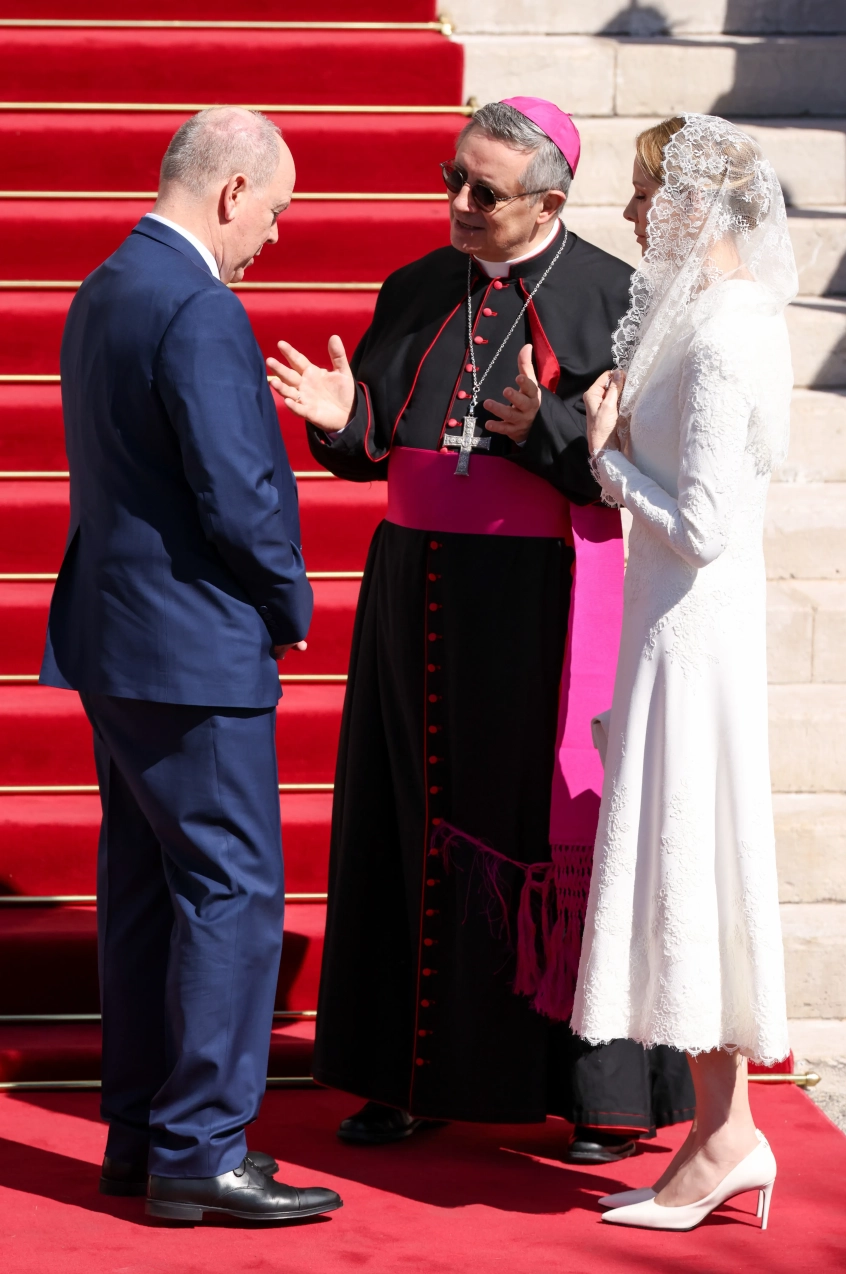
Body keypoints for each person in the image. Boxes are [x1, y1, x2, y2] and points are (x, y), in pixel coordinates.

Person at [268, 98, 694, 1160]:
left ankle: (591, 1091)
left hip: (542, 602)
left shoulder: (615, 298)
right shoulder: (416, 285)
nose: (459, 203)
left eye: (485, 191)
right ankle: (403, 1074)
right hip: (412, 591)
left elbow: (649, 478)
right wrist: (344, 422)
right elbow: (379, 435)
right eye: (451, 178)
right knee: (404, 824)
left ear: (549, 201)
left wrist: (548, 433)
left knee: (545, 835)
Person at [40, 107, 342, 1225]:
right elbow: (239, 489)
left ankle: (140, 1134)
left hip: (116, 637)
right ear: (231, 192)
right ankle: (202, 1147)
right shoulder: (200, 305)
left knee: (143, 890)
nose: (275, 234)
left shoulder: (105, 286)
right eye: (275, 209)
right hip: (193, 645)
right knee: (231, 891)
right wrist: (288, 599)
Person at [573, 114, 797, 1230]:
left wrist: (605, 456)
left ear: (697, 205)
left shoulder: (722, 334)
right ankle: (723, 1132)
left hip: (694, 635)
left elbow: (702, 527)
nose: (628, 212)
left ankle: (723, 1138)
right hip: (673, 627)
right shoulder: (708, 316)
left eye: (644, 192)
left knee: (692, 868)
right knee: (684, 870)